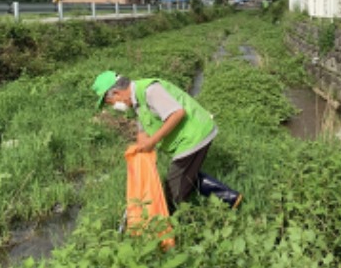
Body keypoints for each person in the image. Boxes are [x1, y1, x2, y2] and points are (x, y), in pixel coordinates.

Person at [92, 71, 241, 210]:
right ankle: (232, 199)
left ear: (116, 93)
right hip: (185, 139)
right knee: (186, 175)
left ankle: (180, 223)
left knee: (173, 190)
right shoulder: (136, 100)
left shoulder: (150, 91)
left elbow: (177, 114)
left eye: (110, 103)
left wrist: (152, 142)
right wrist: (141, 153)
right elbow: (142, 128)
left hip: (194, 136)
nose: (113, 107)